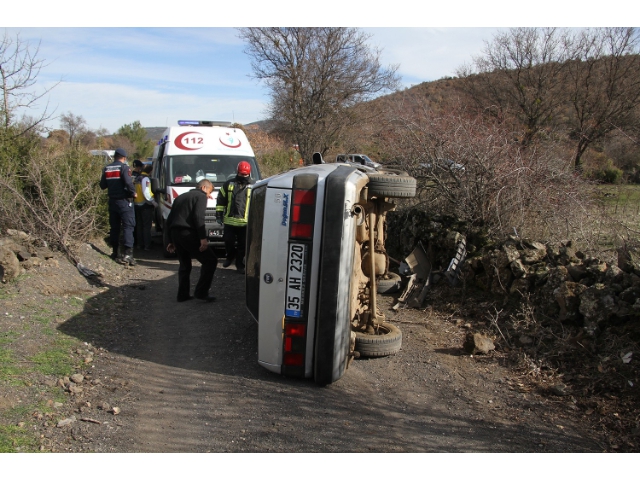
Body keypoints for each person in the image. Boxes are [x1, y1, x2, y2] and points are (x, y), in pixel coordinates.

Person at [165, 179, 218, 303]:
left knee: (184, 265)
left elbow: (169, 219)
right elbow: (198, 217)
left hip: (176, 233)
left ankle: (182, 295)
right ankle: (201, 292)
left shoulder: (180, 197)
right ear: (204, 188)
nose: (209, 196)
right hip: (188, 233)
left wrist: (170, 240)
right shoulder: (200, 196)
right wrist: (203, 238)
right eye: (209, 192)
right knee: (211, 260)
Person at [100, 147, 137, 266]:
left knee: (114, 227)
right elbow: (128, 182)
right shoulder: (124, 168)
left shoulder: (107, 168)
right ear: (124, 158)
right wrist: (133, 192)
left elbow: (102, 185)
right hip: (124, 202)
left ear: (115, 157)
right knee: (128, 226)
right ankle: (128, 255)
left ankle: (115, 252)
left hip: (112, 202)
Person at [216, 161, 252, 274]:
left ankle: (240, 265)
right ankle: (229, 257)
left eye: (245, 175)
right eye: (241, 174)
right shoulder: (229, 184)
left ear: (249, 174)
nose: (243, 177)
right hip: (229, 221)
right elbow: (221, 199)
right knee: (228, 242)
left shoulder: (254, 185)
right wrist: (218, 214)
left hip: (245, 223)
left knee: (243, 246)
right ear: (237, 172)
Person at [134, 164, 157, 251]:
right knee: (146, 227)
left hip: (137, 205)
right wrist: (154, 202)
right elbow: (146, 193)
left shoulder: (137, 178)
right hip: (145, 205)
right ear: (150, 171)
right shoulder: (146, 179)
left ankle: (140, 244)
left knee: (139, 226)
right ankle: (147, 245)